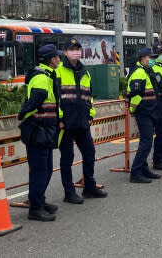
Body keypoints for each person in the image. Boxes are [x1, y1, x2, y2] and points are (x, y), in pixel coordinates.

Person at [56, 38, 107, 204]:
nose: (75, 52)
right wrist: (60, 118)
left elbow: (89, 97)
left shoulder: (86, 72)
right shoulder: (58, 72)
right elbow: (55, 99)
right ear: (65, 52)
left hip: (82, 121)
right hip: (66, 124)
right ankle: (69, 192)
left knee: (90, 153)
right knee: (67, 158)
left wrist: (90, 115)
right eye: (72, 49)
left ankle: (89, 187)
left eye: (77, 49)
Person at [17, 44, 62, 221]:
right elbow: (34, 102)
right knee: (39, 170)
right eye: (57, 57)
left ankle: (40, 201)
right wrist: (23, 115)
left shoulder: (47, 75)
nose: (59, 59)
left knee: (46, 169)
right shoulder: (42, 78)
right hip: (38, 129)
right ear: (52, 59)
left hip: (45, 129)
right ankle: (35, 208)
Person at [127, 48, 161, 183]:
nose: (152, 60)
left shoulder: (146, 71)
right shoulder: (139, 72)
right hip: (144, 111)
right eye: (150, 57)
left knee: (147, 142)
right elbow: (136, 94)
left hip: (149, 110)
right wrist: (133, 109)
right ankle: (135, 172)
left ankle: (144, 169)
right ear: (142, 58)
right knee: (146, 143)